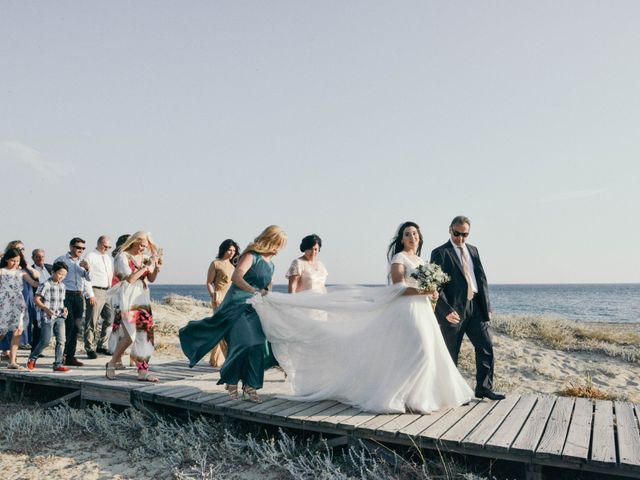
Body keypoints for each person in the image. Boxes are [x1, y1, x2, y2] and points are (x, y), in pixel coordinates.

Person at [250, 222, 474, 413]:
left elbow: (427, 287)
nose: (412, 237)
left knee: (429, 352)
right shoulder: (399, 257)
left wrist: (432, 293)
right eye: (407, 234)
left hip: (424, 309)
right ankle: (404, 397)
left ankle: (419, 398)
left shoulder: (422, 261)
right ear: (402, 239)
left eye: (415, 233)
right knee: (421, 350)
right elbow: (398, 288)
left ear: (420, 237)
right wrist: (423, 291)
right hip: (407, 309)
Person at [180, 225, 288, 403]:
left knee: (258, 345)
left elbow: (267, 286)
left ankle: (250, 387)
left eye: (281, 245)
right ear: (269, 241)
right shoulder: (250, 256)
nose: (279, 248)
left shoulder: (272, 265)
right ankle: (231, 380)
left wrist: (268, 295)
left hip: (256, 308)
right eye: (277, 243)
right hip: (236, 305)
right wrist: (254, 291)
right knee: (245, 343)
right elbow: (236, 277)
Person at [430, 215, 504, 401]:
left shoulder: (473, 250)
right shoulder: (440, 252)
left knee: (486, 346)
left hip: (476, 307)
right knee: (450, 353)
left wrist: (486, 305)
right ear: (450, 230)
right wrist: (445, 310)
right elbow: (435, 286)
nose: (460, 238)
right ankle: (449, 394)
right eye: (457, 233)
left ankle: (483, 389)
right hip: (453, 310)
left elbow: (481, 279)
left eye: (465, 234)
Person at [105, 231, 162, 382]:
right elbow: (129, 278)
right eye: (141, 245)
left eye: (146, 246)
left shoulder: (144, 258)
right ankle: (112, 363)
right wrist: (145, 267)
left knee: (146, 336)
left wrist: (156, 269)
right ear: (133, 242)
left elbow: (150, 279)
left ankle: (143, 371)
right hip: (127, 299)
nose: (143, 249)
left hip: (142, 298)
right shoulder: (122, 257)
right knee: (130, 336)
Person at [0, 248, 39, 369]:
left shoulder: (22, 272)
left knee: (17, 331)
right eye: (13, 260)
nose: (15, 263)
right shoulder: (1, 271)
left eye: (17, 261)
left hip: (18, 303)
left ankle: (12, 361)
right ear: (6, 259)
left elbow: (34, 283)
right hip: (4, 302)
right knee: (2, 331)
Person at [55, 238, 92, 367]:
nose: (80, 250)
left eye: (83, 248)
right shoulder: (61, 260)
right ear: (71, 247)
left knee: (76, 327)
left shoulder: (82, 262)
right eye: (78, 247)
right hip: (66, 295)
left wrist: (87, 268)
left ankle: (70, 356)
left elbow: (89, 279)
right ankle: (62, 356)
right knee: (68, 325)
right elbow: (55, 278)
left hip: (78, 296)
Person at [27, 261, 70, 372]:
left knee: (61, 340)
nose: (61, 277)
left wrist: (65, 310)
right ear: (53, 272)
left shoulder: (63, 286)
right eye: (60, 273)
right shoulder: (45, 284)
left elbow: (61, 302)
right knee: (45, 341)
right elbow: (36, 299)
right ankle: (33, 357)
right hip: (47, 316)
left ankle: (58, 364)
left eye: (64, 275)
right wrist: (46, 309)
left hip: (60, 316)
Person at [205, 239, 240, 367]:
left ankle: (218, 359)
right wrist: (214, 295)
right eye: (229, 250)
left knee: (230, 328)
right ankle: (226, 358)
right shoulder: (216, 264)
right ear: (224, 249)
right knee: (221, 327)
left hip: (231, 299)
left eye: (234, 251)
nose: (232, 253)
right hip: (218, 297)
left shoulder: (234, 266)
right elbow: (209, 282)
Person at [83, 236, 115, 357]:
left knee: (110, 318)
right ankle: (89, 347)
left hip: (108, 290)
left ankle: (102, 345)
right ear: (99, 244)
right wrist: (90, 294)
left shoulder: (108, 258)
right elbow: (86, 277)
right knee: (92, 320)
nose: (106, 249)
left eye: (109, 247)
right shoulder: (90, 256)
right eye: (104, 246)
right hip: (95, 290)